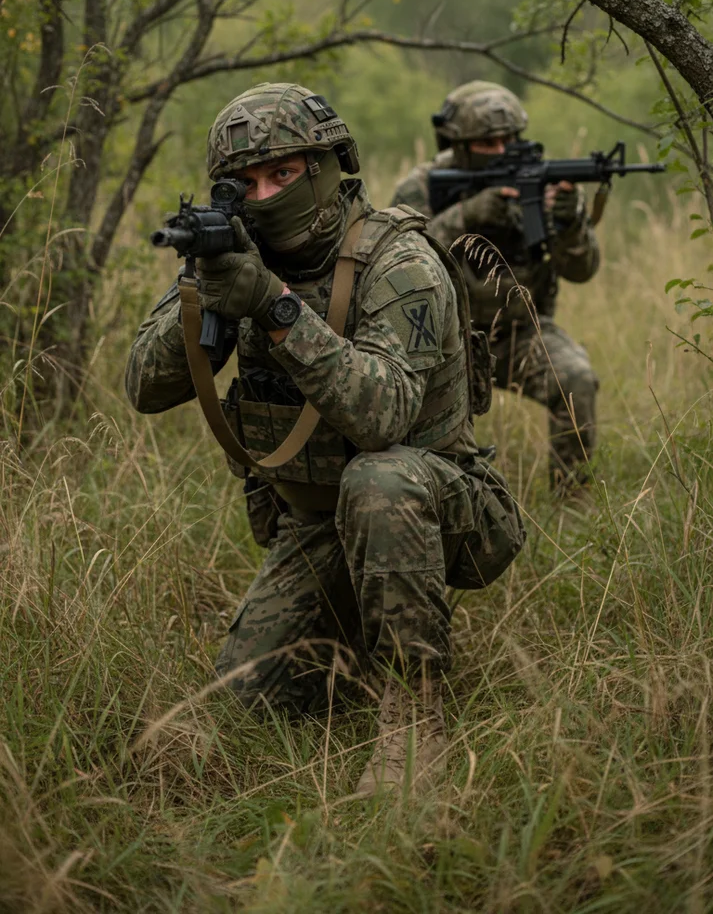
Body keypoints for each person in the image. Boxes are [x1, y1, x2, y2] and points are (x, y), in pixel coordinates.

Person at [126, 82, 524, 797]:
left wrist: (271, 307)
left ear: (328, 166)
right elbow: (145, 390)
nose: (265, 194)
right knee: (244, 706)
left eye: (282, 174)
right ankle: (355, 637)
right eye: (245, 182)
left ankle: (415, 718)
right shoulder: (236, 251)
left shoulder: (399, 262)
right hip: (315, 523)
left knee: (379, 477)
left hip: (441, 507)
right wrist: (203, 288)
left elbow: (382, 420)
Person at [391, 81, 600, 493]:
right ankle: (434, 498)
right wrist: (465, 215)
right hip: (442, 341)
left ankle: (573, 504)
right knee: (406, 413)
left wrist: (570, 219)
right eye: (489, 142)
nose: (503, 150)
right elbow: (398, 262)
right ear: (460, 144)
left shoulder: (540, 181)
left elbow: (582, 270)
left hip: (519, 336)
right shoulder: (421, 186)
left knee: (576, 379)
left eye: (510, 139)